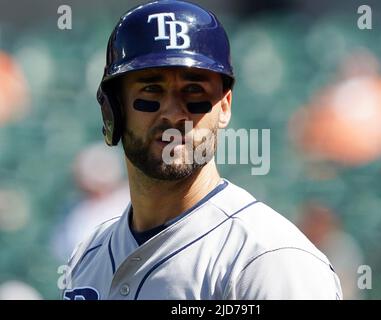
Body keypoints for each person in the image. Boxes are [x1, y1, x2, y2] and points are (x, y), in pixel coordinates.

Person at [62, 0, 342, 300]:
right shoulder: (88, 256)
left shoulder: (269, 261)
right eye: (150, 90)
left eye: (194, 91)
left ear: (224, 107)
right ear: (114, 109)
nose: (172, 114)